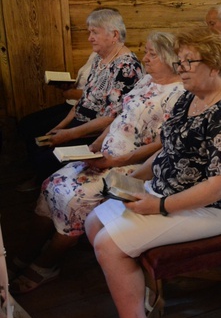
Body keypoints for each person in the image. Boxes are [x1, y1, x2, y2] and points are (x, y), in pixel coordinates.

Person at [85, 27, 221, 318]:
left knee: (108, 245)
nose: (181, 69)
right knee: (93, 222)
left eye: (188, 62)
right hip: (169, 191)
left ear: (215, 65)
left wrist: (160, 205)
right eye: (179, 62)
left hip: (213, 207)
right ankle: (140, 296)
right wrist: (130, 180)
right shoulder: (190, 97)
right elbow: (169, 150)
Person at [10, 33, 184, 293]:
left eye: (152, 54)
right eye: (146, 51)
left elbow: (162, 144)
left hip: (133, 166)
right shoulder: (147, 80)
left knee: (74, 199)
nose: (145, 58)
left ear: (170, 59)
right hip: (106, 155)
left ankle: (47, 264)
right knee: (51, 184)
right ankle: (26, 254)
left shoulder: (180, 93)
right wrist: (94, 146)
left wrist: (115, 160)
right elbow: (118, 116)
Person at [25, 8, 144, 185]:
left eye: (94, 32)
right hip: (81, 120)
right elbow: (84, 99)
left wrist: (69, 134)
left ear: (114, 35)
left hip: (97, 131)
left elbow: (111, 117)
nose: (89, 38)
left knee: (46, 157)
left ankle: (44, 188)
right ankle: (40, 183)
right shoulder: (99, 58)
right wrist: (60, 126)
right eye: (90, 32)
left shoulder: (127, 68)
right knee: (36, 135)